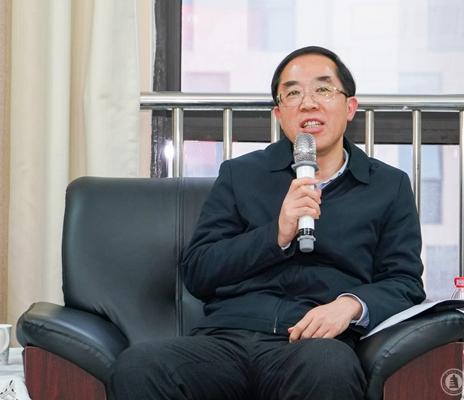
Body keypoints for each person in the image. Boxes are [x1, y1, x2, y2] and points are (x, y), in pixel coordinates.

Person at [109, 45, 425, 400]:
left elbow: (404, 282)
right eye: (293, 93)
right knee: (138, 366)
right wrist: (276, 235)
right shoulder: (241, 174)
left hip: (313, 345)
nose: (308, 103)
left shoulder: (387, 186)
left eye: (323, 89)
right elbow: (199, 270)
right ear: (279, 113)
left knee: (330, 367)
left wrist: (349, 305)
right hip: (228, 338)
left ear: (350, 107)